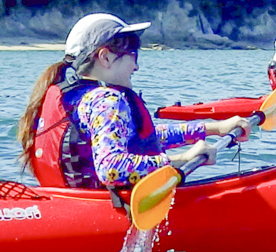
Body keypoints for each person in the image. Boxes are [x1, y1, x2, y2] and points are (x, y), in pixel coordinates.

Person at [18, 13, 258, 190]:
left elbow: (138, 138)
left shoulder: (74, 95)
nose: (136, 66)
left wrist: (213, 128)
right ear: (106, 57)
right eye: (133, 55)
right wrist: (182, 158)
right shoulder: (106, 100)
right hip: (106, 208)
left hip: (72, 200)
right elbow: (111, 168)